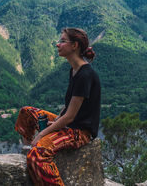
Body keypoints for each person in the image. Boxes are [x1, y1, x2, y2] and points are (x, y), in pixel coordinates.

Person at [15, 27, 101, 186]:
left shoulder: (85, 75)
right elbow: (68, 107)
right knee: (26, 113)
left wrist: (42, 135)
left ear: (74, 46)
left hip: (79, 131)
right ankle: (28, 149)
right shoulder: (75, 70)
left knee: (38, 156)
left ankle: (35, 152)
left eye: (62, 41)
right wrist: (55, 123)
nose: (57, 44)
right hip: (69, 123)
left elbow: (70, 116)